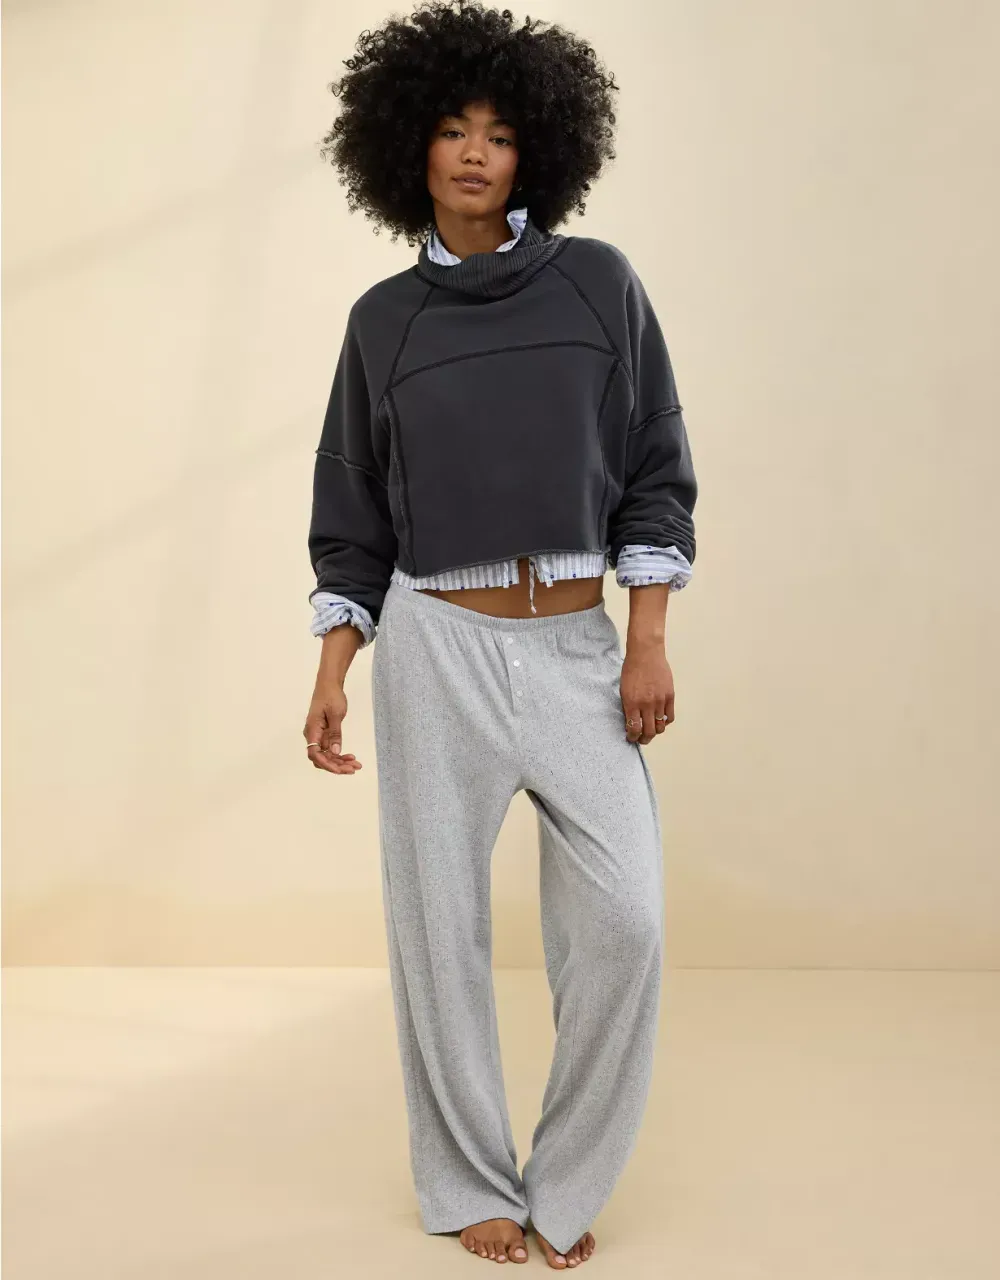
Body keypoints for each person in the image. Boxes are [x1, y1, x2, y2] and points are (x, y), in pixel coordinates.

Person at [303, 1, 698, 1268]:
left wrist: (645, 637)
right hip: (435, 649)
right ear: (407, 148)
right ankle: (470, 1178)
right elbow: (352, 510)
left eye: (501, 132)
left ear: (537, 152)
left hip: (577, 644)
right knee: (439, 931)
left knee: (626, 920)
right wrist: (333, 668)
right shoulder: (383, 320)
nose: (475, 152)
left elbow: (654, 469)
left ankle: (564, 1183)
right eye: (451, 128)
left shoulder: (599, 284)